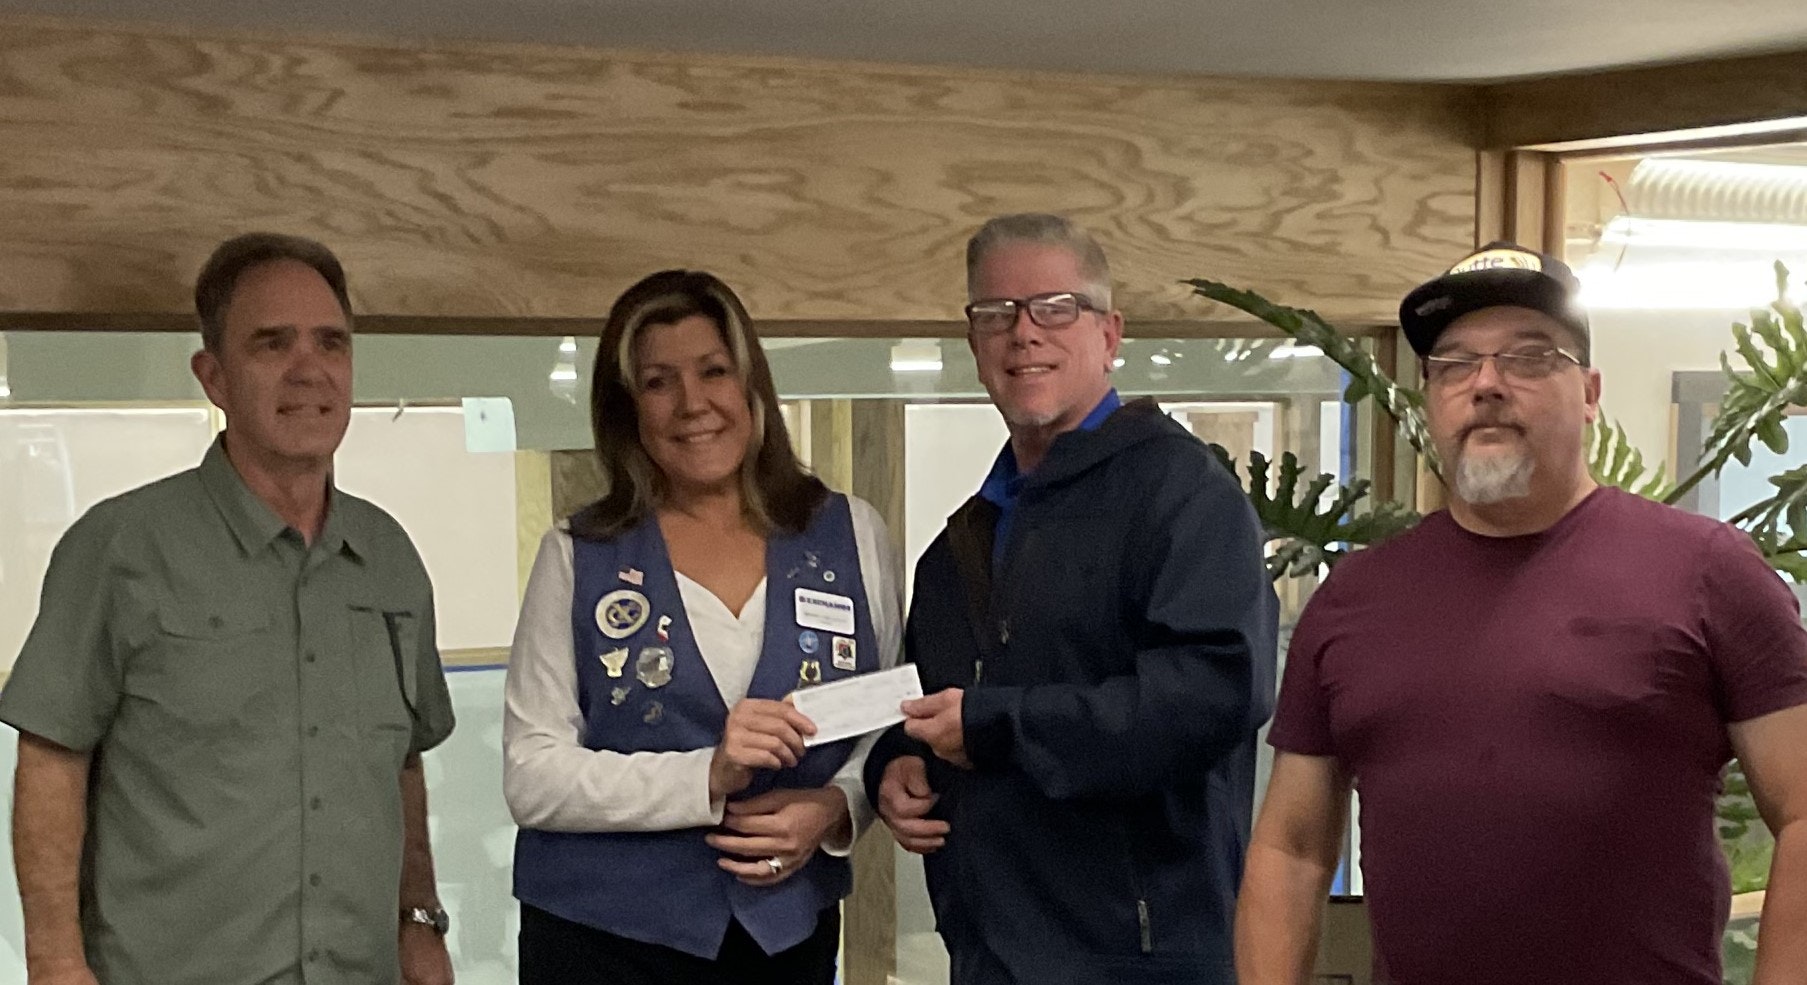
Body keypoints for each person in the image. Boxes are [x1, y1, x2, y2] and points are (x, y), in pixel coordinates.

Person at [1236, 242, 1807, 985]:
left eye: (1529, 357)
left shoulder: (1705, 571)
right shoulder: (1355, 596)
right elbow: (1291, 849)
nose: (1486, 385)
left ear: (1590, 392)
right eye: (1453, 364)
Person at [1, 233, 458, 985]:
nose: (309, 369)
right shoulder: (121, 549)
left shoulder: (390, 560)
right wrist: (54, 959)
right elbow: (51, 758)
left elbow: (400, 764)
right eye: (271, 344)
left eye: (331, 343)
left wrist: (418, 918)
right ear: (213, 376)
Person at [863, 213, 1279, 984]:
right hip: (989, 954)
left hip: (1141, 959)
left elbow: (1212, 695)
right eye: (997, 313)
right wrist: (894, 765)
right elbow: (927, 703)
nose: (1024, 333)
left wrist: (995, 726)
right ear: (973, 343)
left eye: (1055, 307)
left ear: (1109, 331)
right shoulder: (957, 551)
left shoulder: (1182, 494)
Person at [503, 269, 903, 985]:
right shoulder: (578, 553)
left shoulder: (851, 535)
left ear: (751, 386)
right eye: (658, 382)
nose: (693, 403)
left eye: (714, 371)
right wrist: (705, 775)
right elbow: (531, 772)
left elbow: (883, 722)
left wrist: (836, 807)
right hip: (600, 938)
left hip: (784, 934)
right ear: (628, 408)